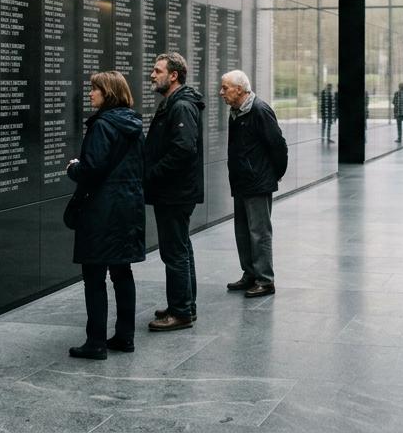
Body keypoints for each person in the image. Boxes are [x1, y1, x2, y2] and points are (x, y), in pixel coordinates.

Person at [66, 71, 146, 359]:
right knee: (122, 272)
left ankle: (96, 342)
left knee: (95, 275)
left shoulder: (102, 125)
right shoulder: (134, 125)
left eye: (95, 90)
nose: (90, 94)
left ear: (108, 93)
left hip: (101, 209)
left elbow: (92, 169)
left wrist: (73, 168)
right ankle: (125, 336)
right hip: (128, 207)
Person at [143, 52, 204, 332]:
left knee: (175, 251)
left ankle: (180, 312)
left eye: (157, 71)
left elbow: (182, 149)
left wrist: (152, 174)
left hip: (175, 191)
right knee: (180, 248)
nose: (152, 75)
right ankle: (184, 305)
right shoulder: (175, 104)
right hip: (176, 190)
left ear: (174, 75)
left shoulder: (180, 107)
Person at [219, 70, 288, 299]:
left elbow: (278, 146)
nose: (221, 93)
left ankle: (265, 280)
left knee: (259, 232)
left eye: (225, 88)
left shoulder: (259, 110)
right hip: (241, 181)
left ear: (239, 89)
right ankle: (249, 273)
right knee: (242, 231)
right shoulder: (236, 112)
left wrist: (273, 175)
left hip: (258, 182)